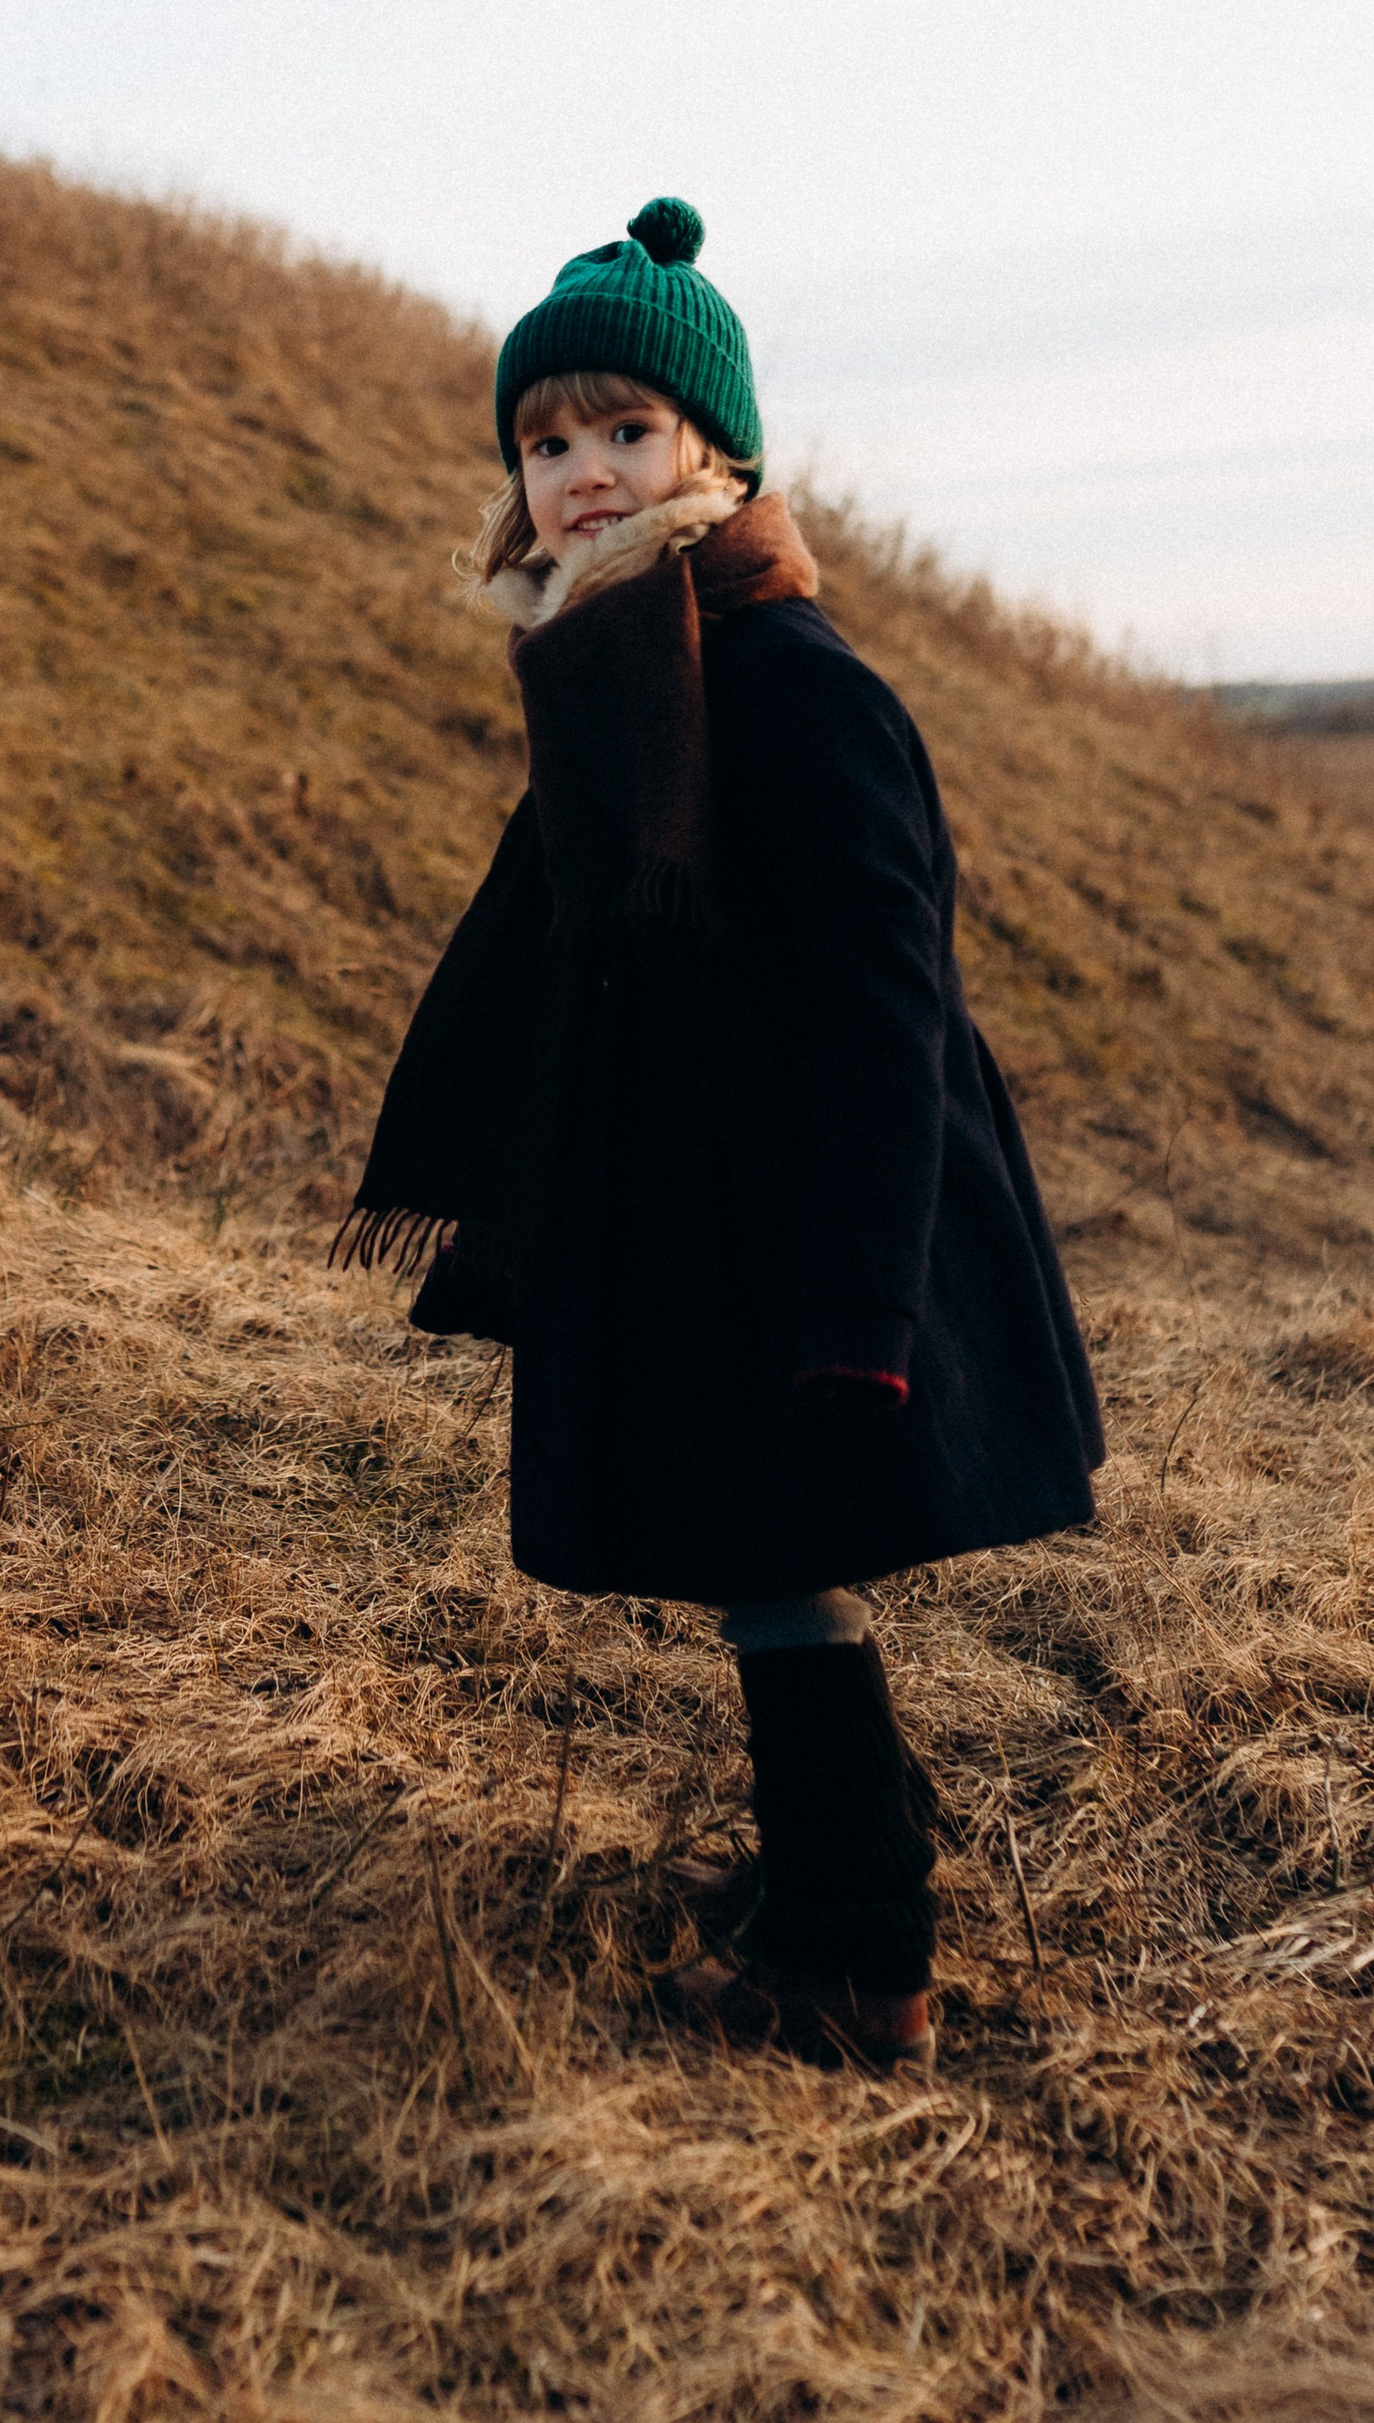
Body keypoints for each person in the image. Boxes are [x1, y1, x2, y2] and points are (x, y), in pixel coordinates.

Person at [337, 197, 1103, 2075]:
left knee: (777, 1552)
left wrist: (859, 1302)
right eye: (546, 440)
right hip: (702, 1195)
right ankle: (849, 1860)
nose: (581, 474)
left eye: (624, 433)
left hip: (825, 1209)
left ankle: (858, 1958)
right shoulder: (621, 656)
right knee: (758, 1544)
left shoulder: (786, 674)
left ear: (715, 450)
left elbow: (884, 1000)